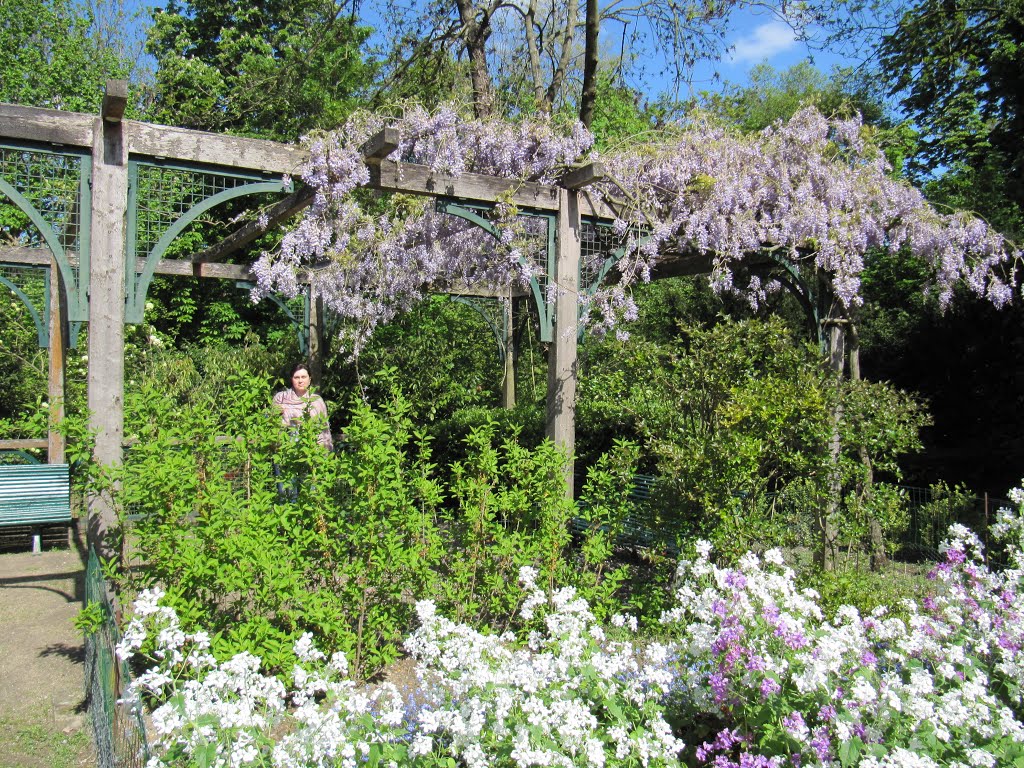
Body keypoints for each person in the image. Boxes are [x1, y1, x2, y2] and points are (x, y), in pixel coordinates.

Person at [273, 363, 333, 450]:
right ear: (291, 379)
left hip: (313, 450)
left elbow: (325, 430)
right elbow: (273, 425)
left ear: (309, 379)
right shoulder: (281, 398)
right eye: (296, 377)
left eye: (303, 377)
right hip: (286, 450)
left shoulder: (317, 401)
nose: (300, 381)